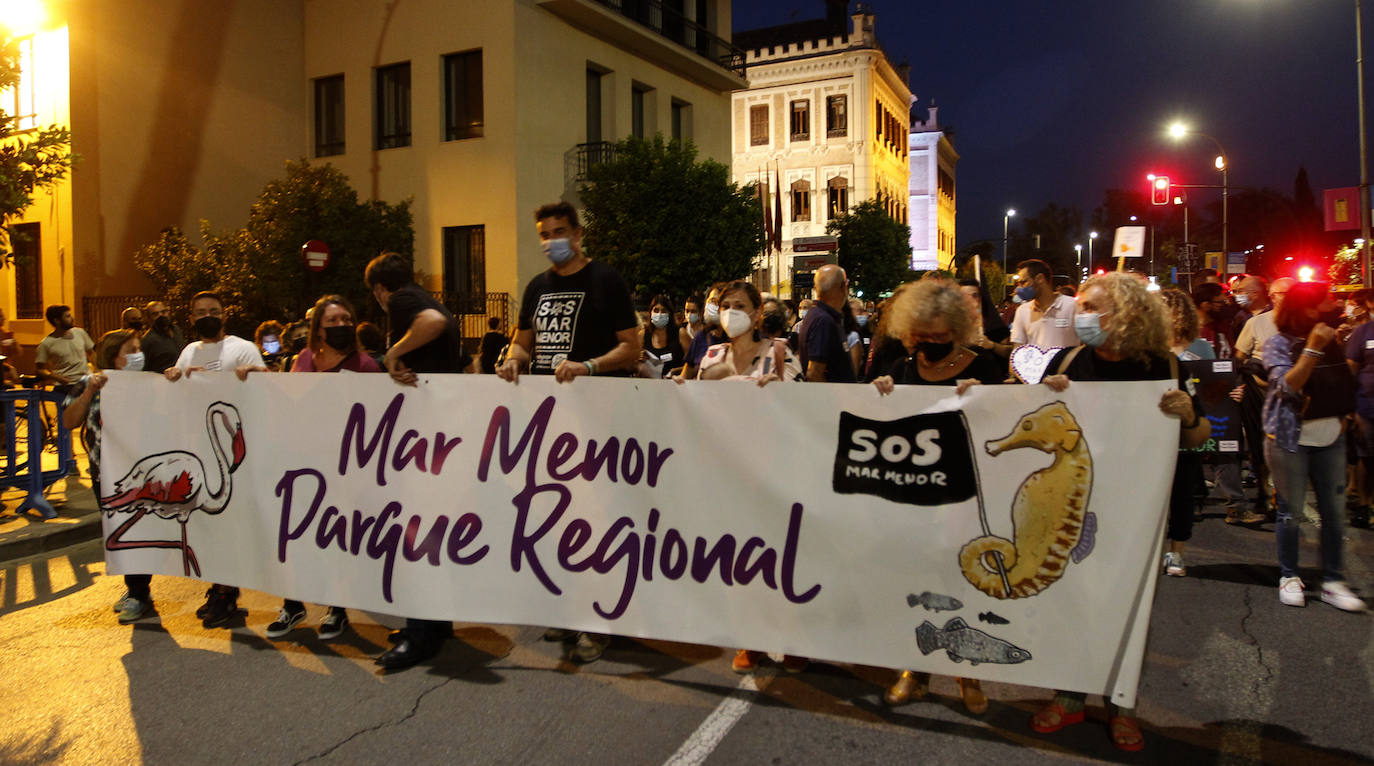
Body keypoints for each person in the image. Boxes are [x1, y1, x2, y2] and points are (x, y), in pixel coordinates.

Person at [1029, 273, 1210, 752]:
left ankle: (1121, 704)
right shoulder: (1069, 359)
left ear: (1126, 313)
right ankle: (1068, 696)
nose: (1082, 314)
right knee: (1073, 600)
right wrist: (1050, 394)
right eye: (1083, 305)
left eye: (1092, 306)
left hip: (1139, 509)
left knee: (1130, 605)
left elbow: (1198, 437)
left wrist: (1187, 414)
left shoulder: (1164, 365)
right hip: (1078, 504)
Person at [497, 201, 640, 664]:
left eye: (559, 231)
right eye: (544, 233)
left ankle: (600, 620)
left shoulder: (606, 280)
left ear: (579, 235)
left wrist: (588, 367)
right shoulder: (537, 287)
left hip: (599, 421)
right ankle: (567, 608)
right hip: (549, 423)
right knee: (555, 517)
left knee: (598, 520)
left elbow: (631, 348)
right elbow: (523, 340)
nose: (550, 241)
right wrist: (515, 360)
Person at [871, 278, 1006, 716]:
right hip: (915, 497)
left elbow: (1012, 420)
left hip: (968, 497)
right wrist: (884, 394)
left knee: (962, 583)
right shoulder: (906, 367)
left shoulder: (984, 366)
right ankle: (914, 670)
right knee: (916, 586)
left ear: (957, 328)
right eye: (922, 335)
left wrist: (987, 399)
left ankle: (969, 673)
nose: (930, 342)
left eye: (940, 335)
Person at [366, 251, 474, 669]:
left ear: (379, 288)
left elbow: (433, 325)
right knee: (430, 529)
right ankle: (435, 623)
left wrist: (394, 353)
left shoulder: (403, 301)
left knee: (415, 532)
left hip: (426, 435)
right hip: (442, 432)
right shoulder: (426, 296)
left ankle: (420, 634)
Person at [691, 281, 803, 674]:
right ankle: (750, 640)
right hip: (728, 472)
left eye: (740, 305)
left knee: (779, 557)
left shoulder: (780, 353)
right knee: (739, 559)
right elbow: (698, 412)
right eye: (725, 305)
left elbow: (804, 411)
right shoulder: (711, 356)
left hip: (773, 473)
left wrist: (782, 392)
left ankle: (791, 638)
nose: (730, 312)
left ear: (757, 314)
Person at [261, 295, 380, 641]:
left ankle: (336, 609)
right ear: (318, 328)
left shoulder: (366, 366)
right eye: (333, 321)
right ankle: (292, 604)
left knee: (333, 540)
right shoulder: (305, 359)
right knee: (294, 536)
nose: (341, 325)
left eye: (347, 319)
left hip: (344, 467)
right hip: (303, 463)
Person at [1261, 281, 1367, 612]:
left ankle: (1333, 580)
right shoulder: (1277, 343)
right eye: (1327, 302)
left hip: (1331, 437)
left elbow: (1342, 379)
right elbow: (1286, 386)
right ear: (1307, 309)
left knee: (1334, 514)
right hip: (1290, 439)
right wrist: (1313, 348)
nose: (1335, 305)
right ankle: (1289, 576)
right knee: (1290, 512)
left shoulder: (1335, 337)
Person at [164, 291, 267, 628]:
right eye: (200, 311)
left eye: (214, 310)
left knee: (230, 524)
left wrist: (254, 375)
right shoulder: (188, 353)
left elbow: (267, 390)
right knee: (208, 525)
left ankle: (228, 592)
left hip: (234, 452)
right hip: (200, 450)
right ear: (191, 318)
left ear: (224, 316)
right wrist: (173, 379)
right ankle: (218, 587)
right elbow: (175, 397)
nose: (207, 315)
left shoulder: (242, 349)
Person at [65, 330, 151, 622]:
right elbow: (69, 420)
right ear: (114, 354)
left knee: (135, 532)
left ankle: (139, 593)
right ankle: (135, 588)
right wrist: (90, 390)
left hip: (138, 475)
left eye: (139, 349)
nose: (138, 354)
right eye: (131, 350)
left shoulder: (148, 385)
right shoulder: (88, 384)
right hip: (104, 473)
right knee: (117, 531)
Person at [1158, 288, 1209, 576]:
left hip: (1186, 432)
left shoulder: (1200, 348)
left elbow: (1216, 386)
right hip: (1155, 433)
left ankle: (1177, 552)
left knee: (1182, 492)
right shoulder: (1146, 350)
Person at [799, 265, 856, 383]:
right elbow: (814, 373)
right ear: (843, 287)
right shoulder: (823, 321)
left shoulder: (817, 315)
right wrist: (835, 400)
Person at [1347, 289, 1374, 527]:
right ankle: (1365, 505)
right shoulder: (1362, 332)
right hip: (1367, 407)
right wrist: (1349, 407)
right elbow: (1351, 370)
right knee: (1367, 458)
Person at [1010, 259, 1078, 349]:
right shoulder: (1022, 311)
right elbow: (1017, 350)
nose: (1018, 288)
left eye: (1023, 282)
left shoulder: (1073, 306)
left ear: (1040, 279)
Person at [35, 304, 94, 390]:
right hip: (65, 386)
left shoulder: (80, 333)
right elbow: (40, 370)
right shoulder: (46, 343)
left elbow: (91, 353)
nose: (72, 318)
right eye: (68, 316)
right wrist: (57, 378)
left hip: (86, 381)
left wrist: (96, 370)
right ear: (57, 321)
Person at [680, 283, 729, 381]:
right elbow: (687, 371)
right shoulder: (701, 337)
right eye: (712, 301)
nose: (715, 306)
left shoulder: (738, 339)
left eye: (720, 302)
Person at [641, 295, 684, 379]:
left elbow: (692, 363)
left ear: (670, 314)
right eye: (656, 310)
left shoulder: (680, 333)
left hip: (675, 384)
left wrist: (676, 371)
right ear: (650, 312)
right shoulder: (642, 335)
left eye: (664, 311)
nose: (659, 314)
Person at [141, 300, 186, 374]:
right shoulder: (148, 340)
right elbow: (144, 369)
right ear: (148, 318)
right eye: (155, 314)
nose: (161, 315)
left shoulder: (177, 330)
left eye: (163, 312)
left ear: (168, 313)